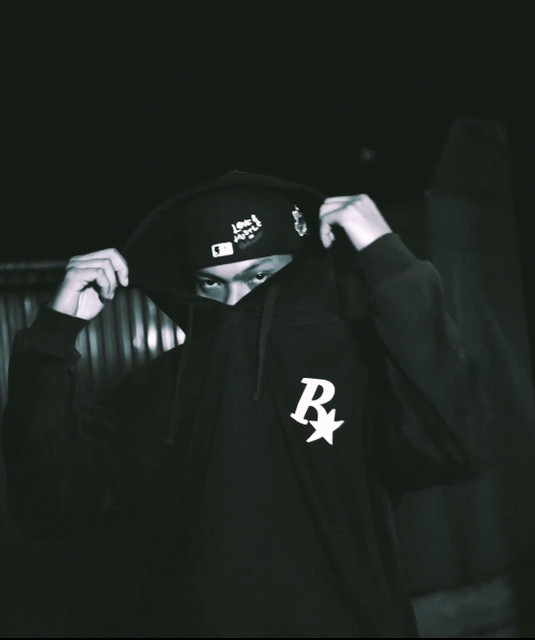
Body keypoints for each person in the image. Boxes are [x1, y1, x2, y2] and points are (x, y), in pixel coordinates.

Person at [1, 170, 486, 637]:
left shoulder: (358, 361)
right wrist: (53, 335)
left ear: (298, 269)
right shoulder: (160, 386)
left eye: (258, 277)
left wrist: (388, 258)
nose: (233, 304)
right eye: (212, 283)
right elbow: (51, 502)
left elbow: (450, 443)